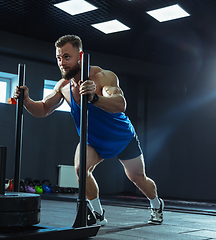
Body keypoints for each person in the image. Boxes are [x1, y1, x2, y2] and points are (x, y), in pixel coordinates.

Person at [13, 35, 164, 226]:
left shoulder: (103, 77)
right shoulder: (63, 86)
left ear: (81, 57)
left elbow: (120, 104)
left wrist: (94, 98)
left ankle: (156, 203)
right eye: (59, 58)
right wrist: (26, 100)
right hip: (93, 140)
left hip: (122, 137)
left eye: (67, 57)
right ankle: (99, 214)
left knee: (137, 178)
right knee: (80, 169)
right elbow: (42, 109)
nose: (62, 63)